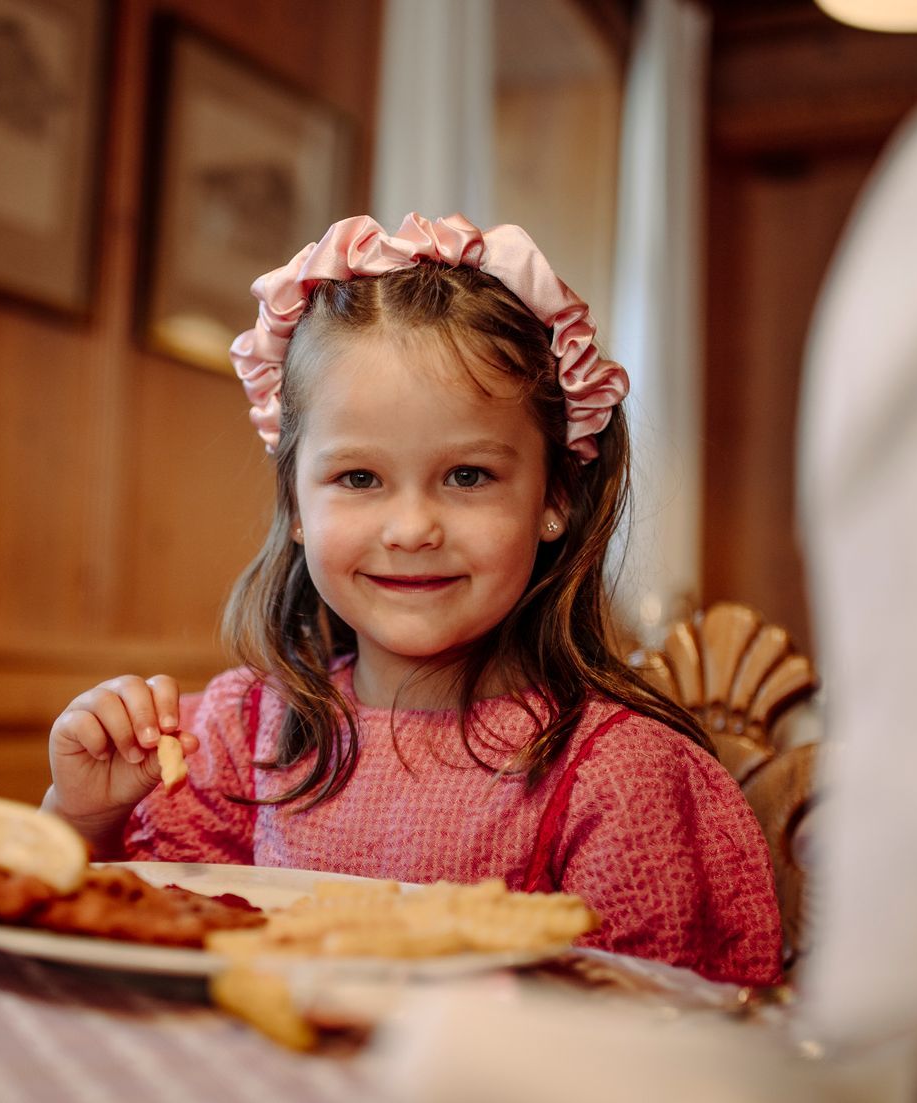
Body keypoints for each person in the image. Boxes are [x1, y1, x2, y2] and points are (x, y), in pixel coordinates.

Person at [41, 213, 783, 986]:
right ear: (297, 504)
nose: (412, 528)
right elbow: (137, 951)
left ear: (555, 493)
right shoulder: (243, 737)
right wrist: (83, 817)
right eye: (358, 478)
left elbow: (664, 1034)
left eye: (468, 476)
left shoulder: (615, 776)